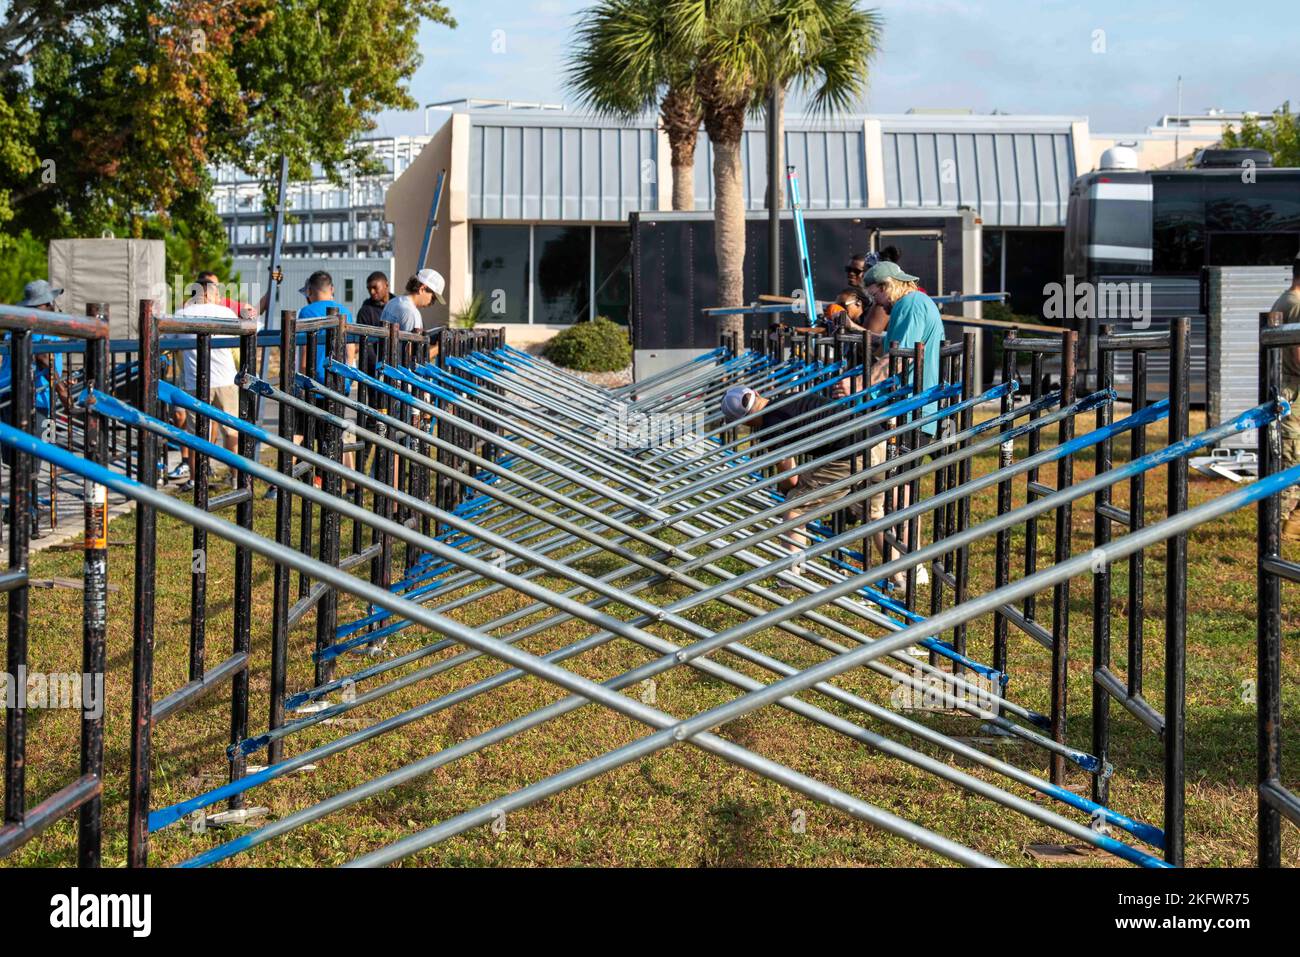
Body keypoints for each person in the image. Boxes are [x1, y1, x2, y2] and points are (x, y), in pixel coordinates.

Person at [721, 378, 858, 585]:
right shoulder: (788, 399)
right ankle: (904, 576)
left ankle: (790, 575)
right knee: (879, 513)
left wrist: (786, 489)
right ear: (757, 393)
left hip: (849, 454)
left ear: (744, 422)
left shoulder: (770, 428)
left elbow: (790, 476)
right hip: (874, 437)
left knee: (794, 508)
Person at [3, 280, 73, 537]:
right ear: (44, 304)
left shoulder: (17, 323)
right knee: (33, 457)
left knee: (17, 458)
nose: (55, 305)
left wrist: (61, 379)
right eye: (52, 300)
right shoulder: (39, 323)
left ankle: (19, 506)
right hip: (32, 400)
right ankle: (28, 513)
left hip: (10, 396)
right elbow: (42, 357)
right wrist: (62, 392)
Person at [171, 272, 246, 492]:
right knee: (232, 431)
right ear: (212, 295)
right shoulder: (226, 313)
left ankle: (196, 481)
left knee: (196, 435)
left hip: (196, 382)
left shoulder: (181, 314)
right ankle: (236, 479)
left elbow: (168, 342)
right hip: (226, 379)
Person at [1271, 257, 1300, 540]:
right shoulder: (1297, 304)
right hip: (1295, 392)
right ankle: (1278, 530)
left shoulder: (1284, 300)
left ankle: (1292, 525)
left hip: (1288, 389)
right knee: (1292, 461)